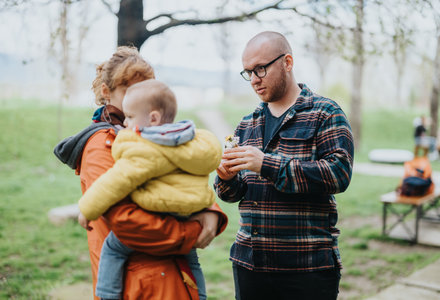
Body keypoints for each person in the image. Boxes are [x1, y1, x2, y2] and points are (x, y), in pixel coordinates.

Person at [54, 46, 228, 300]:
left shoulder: (151, 135)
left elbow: (178, 175)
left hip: (169, 276)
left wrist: (211, 212)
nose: (138, 98)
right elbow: (125, 219)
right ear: (107, 92)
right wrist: (192, 230)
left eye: (145, 89)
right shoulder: (102, 144)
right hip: (136, 282)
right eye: (128, 91)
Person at [214, 31, 354, 300]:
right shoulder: (246, 124)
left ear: (287, 62)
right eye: (248, 73)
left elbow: (339, 174)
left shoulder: (325, 113)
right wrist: (227, 178)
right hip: (249, 266)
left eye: (260, 69)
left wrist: (266, 164)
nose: (254, 80)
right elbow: (232, 195)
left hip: (307, 269)